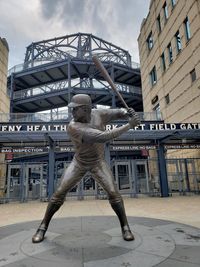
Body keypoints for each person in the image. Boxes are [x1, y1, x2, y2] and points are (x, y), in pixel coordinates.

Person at [32, 94, 140, 243]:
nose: (72, 113)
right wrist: (129, 125)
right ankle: (42, 227)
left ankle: (125, 227)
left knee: (114, 193)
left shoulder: (99, 114)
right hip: (80, 162)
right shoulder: (73, 127)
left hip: (97, 162)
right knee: (58, 193)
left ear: (85, 109)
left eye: (75, 109)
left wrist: (127, 112)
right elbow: (103, 137)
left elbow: (117, 112)